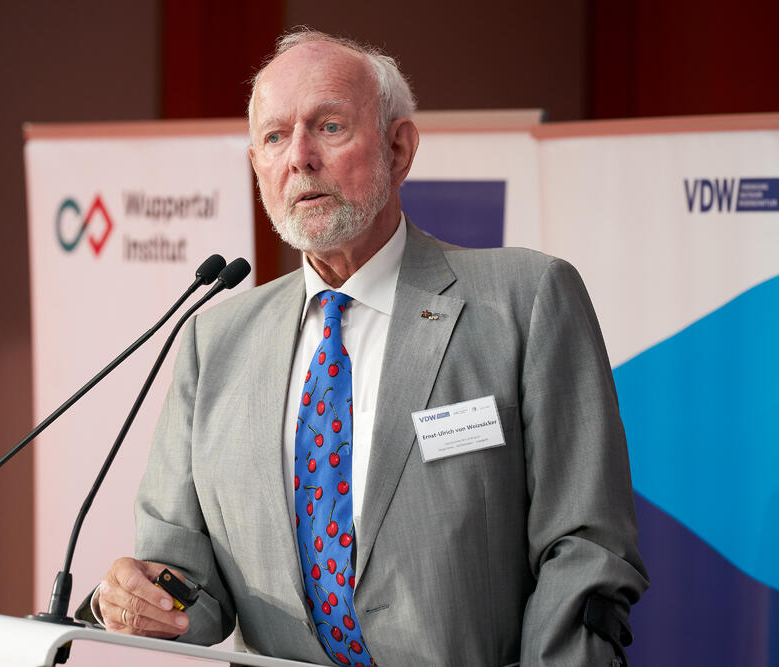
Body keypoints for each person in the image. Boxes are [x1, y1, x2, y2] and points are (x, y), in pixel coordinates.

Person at [84, 29, 648, 666]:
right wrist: (133, 599)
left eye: (328, 126)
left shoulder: (525, 299)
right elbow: (191, 587)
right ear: (257, 168)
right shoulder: (211, 342)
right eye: (274, 137)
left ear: (399, 148)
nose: (299, 157)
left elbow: (586, 544)